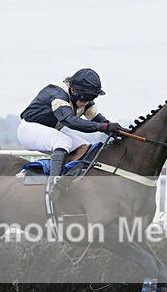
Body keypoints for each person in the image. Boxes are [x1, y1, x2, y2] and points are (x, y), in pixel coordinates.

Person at [18, 68, 123, 196]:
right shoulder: (58, 95)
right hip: (29, 129)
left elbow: (101, 121)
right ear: (74, 90)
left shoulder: (82, 97)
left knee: (86, 148)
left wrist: (122, 133)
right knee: (63, 141)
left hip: (48, 131)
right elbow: (71, 121)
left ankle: (68, 179)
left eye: (92, 97)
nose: (88, 101)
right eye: (86, 97)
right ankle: (54, 183)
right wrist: (105, 127)